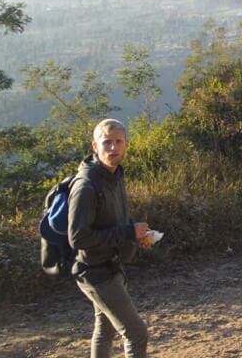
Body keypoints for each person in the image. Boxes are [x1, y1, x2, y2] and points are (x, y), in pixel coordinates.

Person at [68, 118, 153, 358]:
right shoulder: (86, 186)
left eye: (118, 142)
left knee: (105, 330)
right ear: (95, 146)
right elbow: (77, 237)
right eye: (107, 143)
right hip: (95, 272)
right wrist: (127, 233)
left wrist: (137, 235)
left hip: (111, 266)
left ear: (126, 145)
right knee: (136, 333)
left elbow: (114, 221)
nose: (113, 148)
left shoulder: (114, 176)